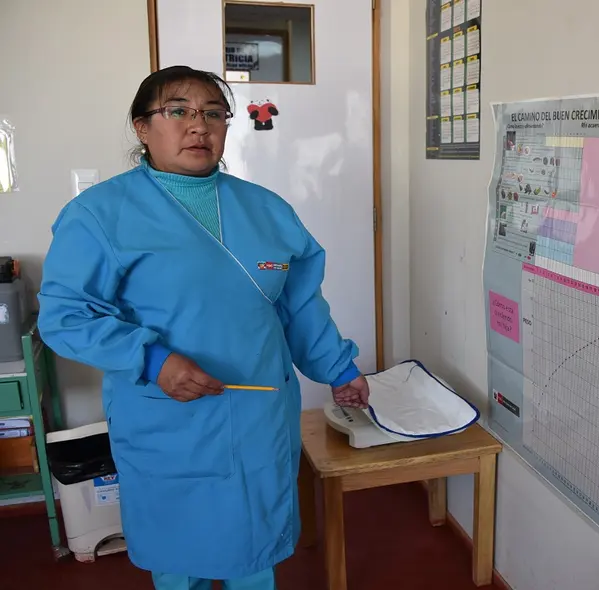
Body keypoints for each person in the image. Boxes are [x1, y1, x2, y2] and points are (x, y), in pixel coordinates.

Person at [36, 65, 370, 589]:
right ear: (142, 127)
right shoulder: (99, 215)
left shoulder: (266, 210)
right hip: (169, 418)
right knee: (178, 552)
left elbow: (300, 306)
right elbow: (65, 316)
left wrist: (338, 368)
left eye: (214, 113)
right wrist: (152, 360)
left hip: (259, 414)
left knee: (255, 547)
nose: (199, 126)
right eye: (179, 111)